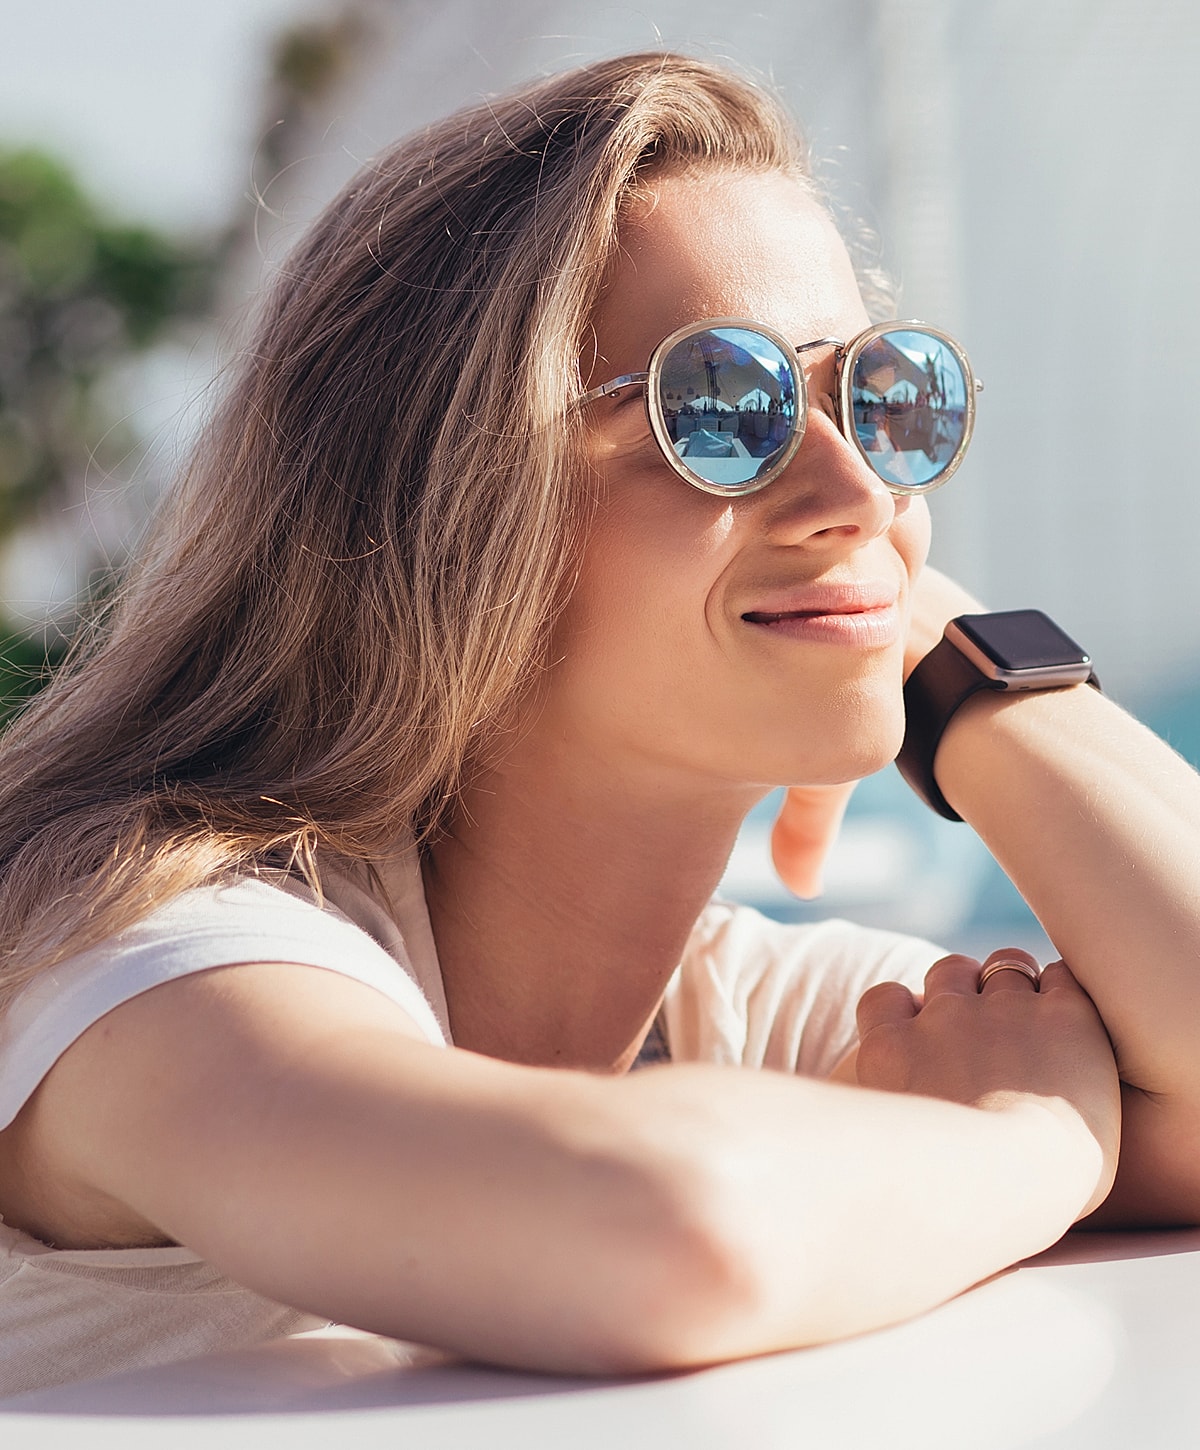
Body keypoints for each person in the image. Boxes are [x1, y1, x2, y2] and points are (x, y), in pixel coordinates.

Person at [0, 51, 1196, 1399]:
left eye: (882, 397)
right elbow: (659, 1230)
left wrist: (961, 668)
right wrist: (1027, 1132)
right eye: (725, 409)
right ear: (449, 506)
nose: (859, 484)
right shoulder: (153, 952)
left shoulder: (722, 1012)